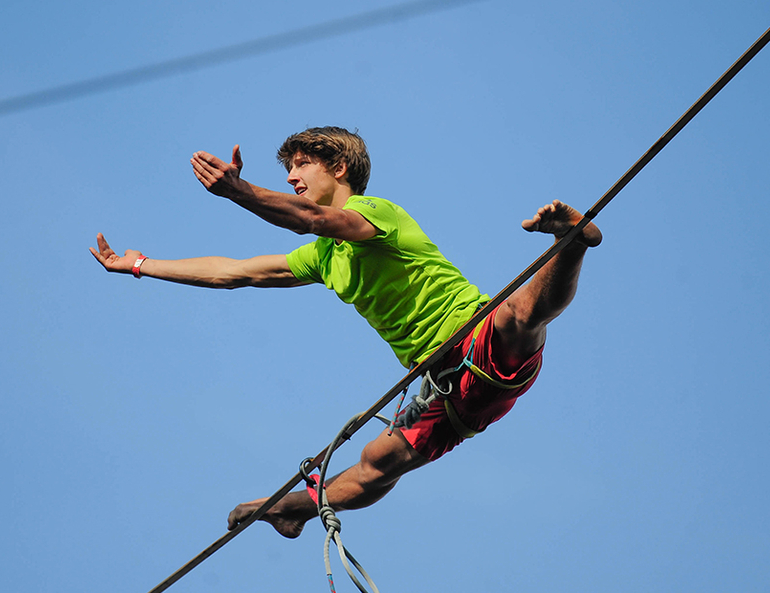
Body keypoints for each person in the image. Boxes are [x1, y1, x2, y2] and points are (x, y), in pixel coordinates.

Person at [90, 126, 601, 539]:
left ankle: (573, 240)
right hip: (448, 388)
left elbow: (310, 218)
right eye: (287, 169)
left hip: (477, 336)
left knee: (518, 315)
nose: (292, 176)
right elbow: (234, 272)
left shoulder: (374, 212)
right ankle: (297, 509)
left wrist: (238, 191)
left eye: (300, 165)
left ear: (338, 168)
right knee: (378, 461)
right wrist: (140, 264)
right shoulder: (322, 257)